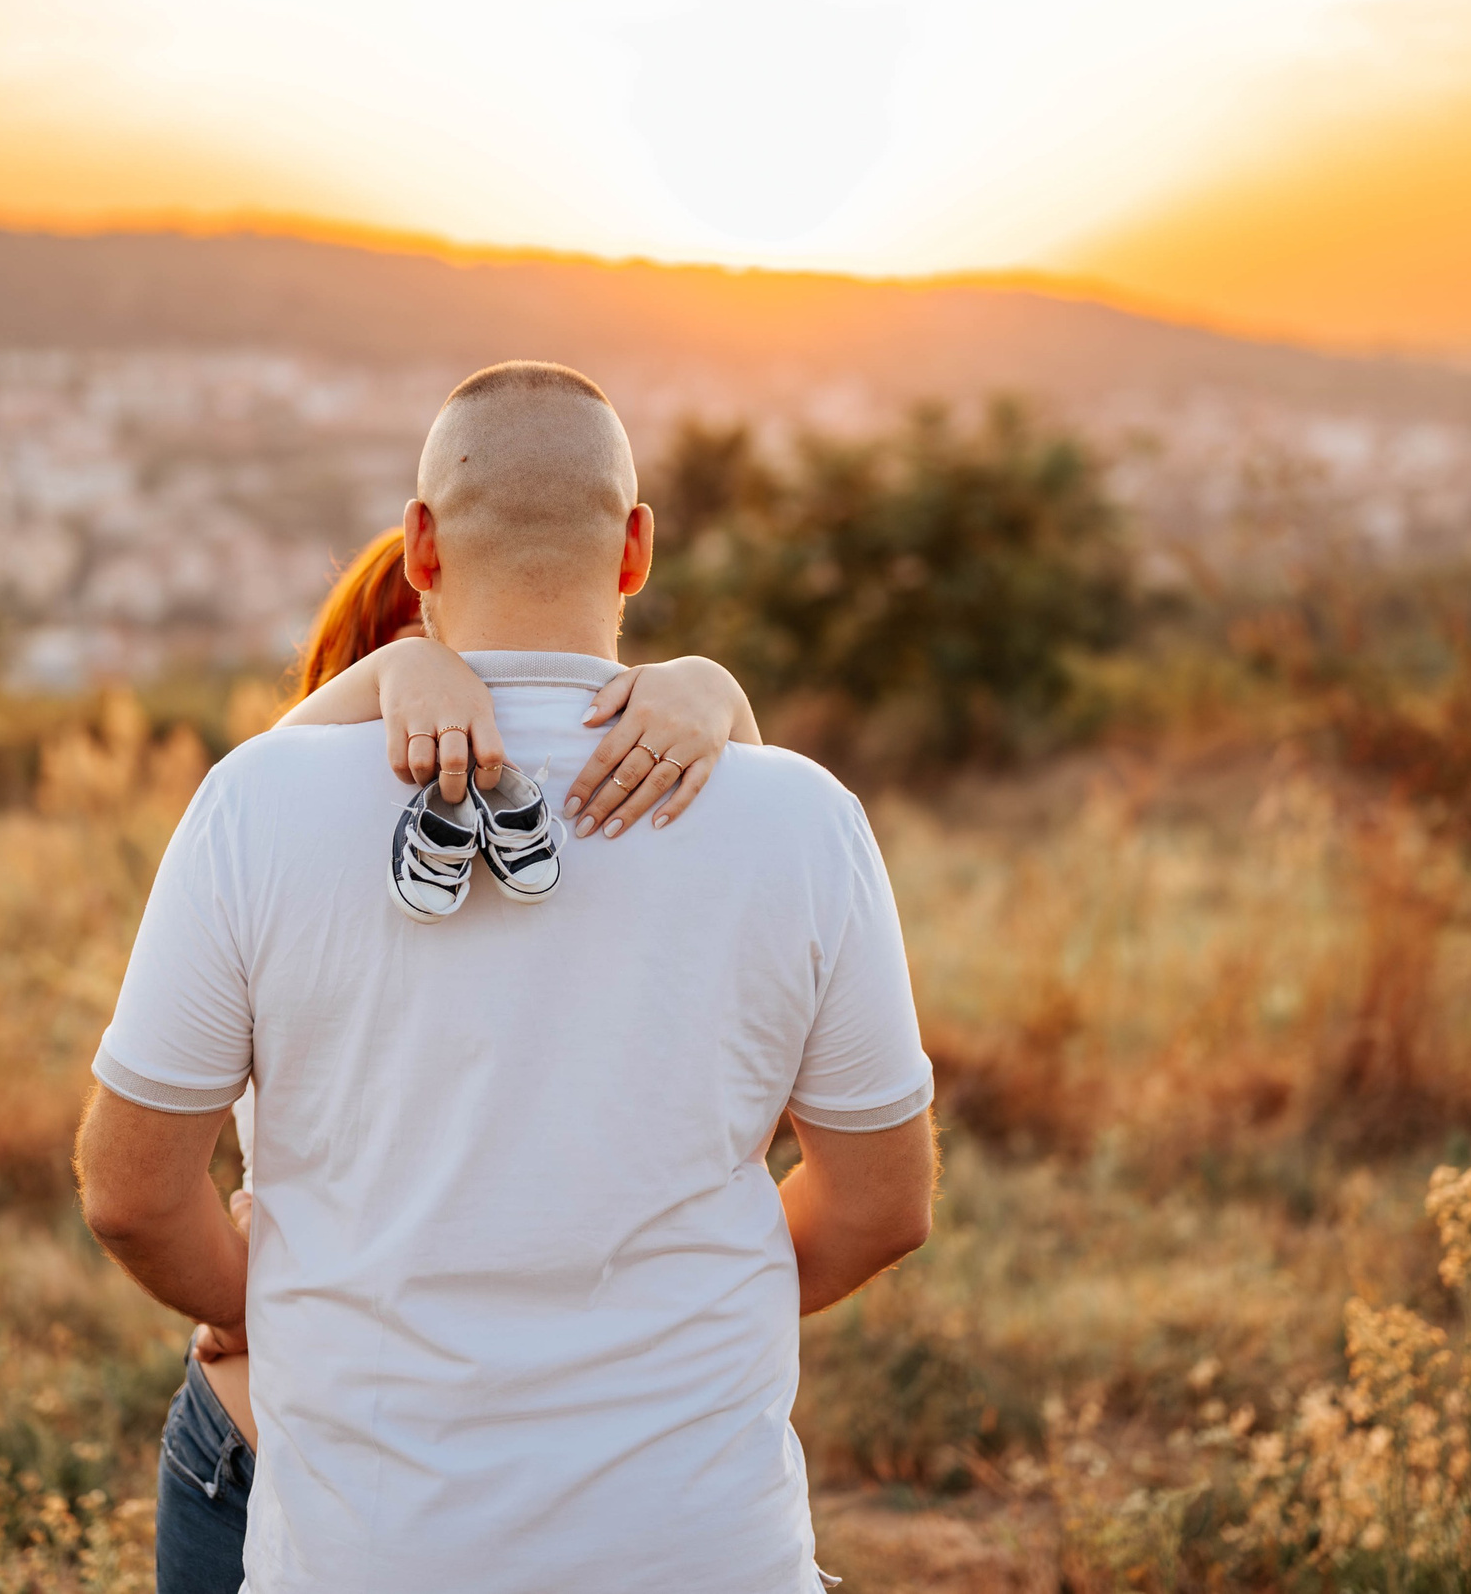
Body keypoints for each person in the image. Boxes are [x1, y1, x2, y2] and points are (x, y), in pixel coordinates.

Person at [76, 361, 935, 1594]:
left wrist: (274, 1304)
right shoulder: (804, 818)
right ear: (635, 548)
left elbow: (128, 1192)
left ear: (417, 547)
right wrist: (679, 1312)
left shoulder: (255, 805)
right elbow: (880, 1207)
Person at [145, 523, 769, 1582]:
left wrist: (715, 693)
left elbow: (741, 934)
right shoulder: (273, 820)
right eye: (431, 657)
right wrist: (398, 671)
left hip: (562, 1454)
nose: (475, 699)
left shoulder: (617, 810)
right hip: (278, 1437)